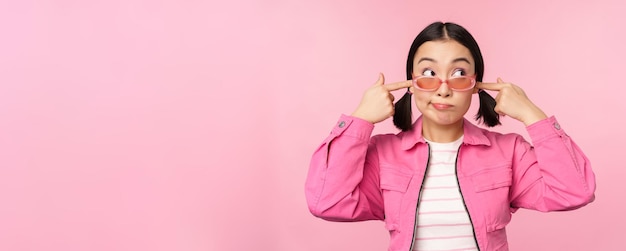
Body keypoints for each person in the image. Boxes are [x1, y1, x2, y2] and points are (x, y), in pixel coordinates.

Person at [304, 21, 596, 251]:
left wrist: (533, 114)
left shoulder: (509, 151)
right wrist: (360, 119)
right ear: (411, 84)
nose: (443, 89)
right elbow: (327, 202)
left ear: (476, 84)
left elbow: (574, 192)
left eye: (458, 73)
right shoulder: (382, 154)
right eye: (429, 72)